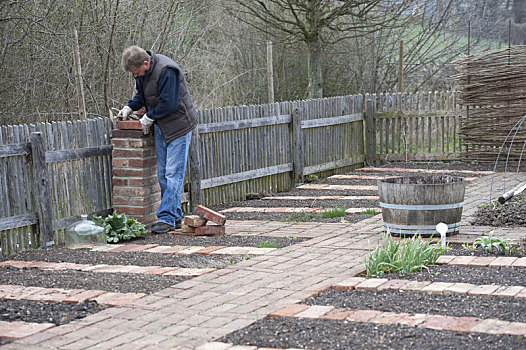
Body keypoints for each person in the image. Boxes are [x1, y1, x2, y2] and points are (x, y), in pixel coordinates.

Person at [117, 45, 197, 234]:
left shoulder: (167, 71)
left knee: (173, 174)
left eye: (136, 73)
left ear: (146, 63)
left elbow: (169, 103)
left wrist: (149, 117)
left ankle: (166, 218)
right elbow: (142, 96)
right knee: (163, 174)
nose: (135, 76)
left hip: (179, 126)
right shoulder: (143, 74)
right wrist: (129, 107)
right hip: (162, 126)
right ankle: (176, 216)